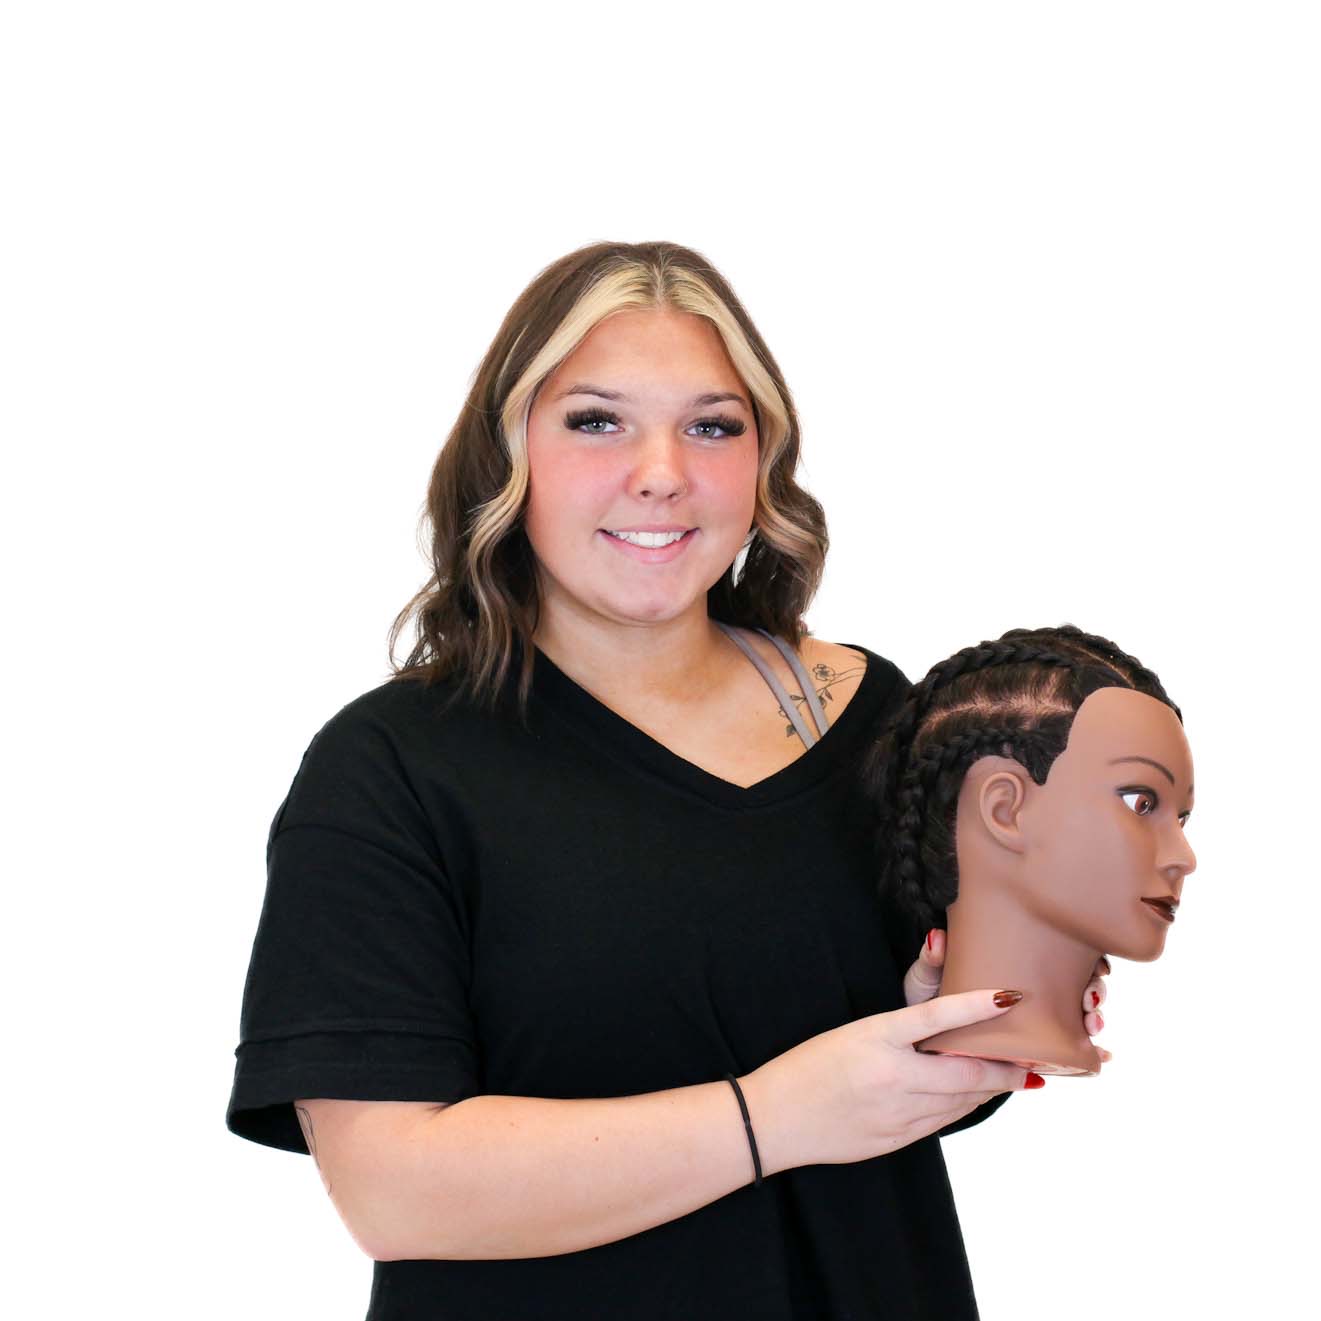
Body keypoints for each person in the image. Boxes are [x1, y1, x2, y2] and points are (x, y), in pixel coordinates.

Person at [225, 239, 1109, 1321]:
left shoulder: (875, 714)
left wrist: (950, 1024)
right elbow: (392, 1189)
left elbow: (891, 1086)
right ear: (509, 457)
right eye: (596, 420)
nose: (661, 471)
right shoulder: (393, 766)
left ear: (762, 460)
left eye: (711, 424)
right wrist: (773, 1115)